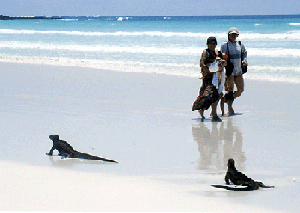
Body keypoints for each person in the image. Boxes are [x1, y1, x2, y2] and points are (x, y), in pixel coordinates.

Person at [192, 37, 226, 122]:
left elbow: (221, 61)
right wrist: (208, 71)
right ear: (208, 44)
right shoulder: (205, 52)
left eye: (214, 43)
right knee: (205, 96)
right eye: (211, 43)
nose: (213, 45)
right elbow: (202, 64)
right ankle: (201, 112)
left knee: (216, 95)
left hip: (216, 77)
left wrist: (222, 62)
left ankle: (214, 114)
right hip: (207, 77)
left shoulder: (217, 52)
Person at [221, 27, 247, 116]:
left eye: (235, 34)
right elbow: (223, 56)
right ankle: (230, 108)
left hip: (238, 71)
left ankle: (226, 99)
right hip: (230, 71)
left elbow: (244, 53)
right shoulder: (225, 45)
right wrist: (224, 61)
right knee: (230, 90)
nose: (234, 36)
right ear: (228, 35)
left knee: (240, 90)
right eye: (232, 34)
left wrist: (244, 61)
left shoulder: (240, 44)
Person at [46, 135, 118, 163]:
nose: (50, 137)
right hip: (72, 152)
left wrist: (49, 154)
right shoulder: (61, 141)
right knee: (87, 156)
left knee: (89, 157)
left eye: (51, 137)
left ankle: (67, 155)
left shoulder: (56, 143)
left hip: (71, 153)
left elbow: (51, 151)